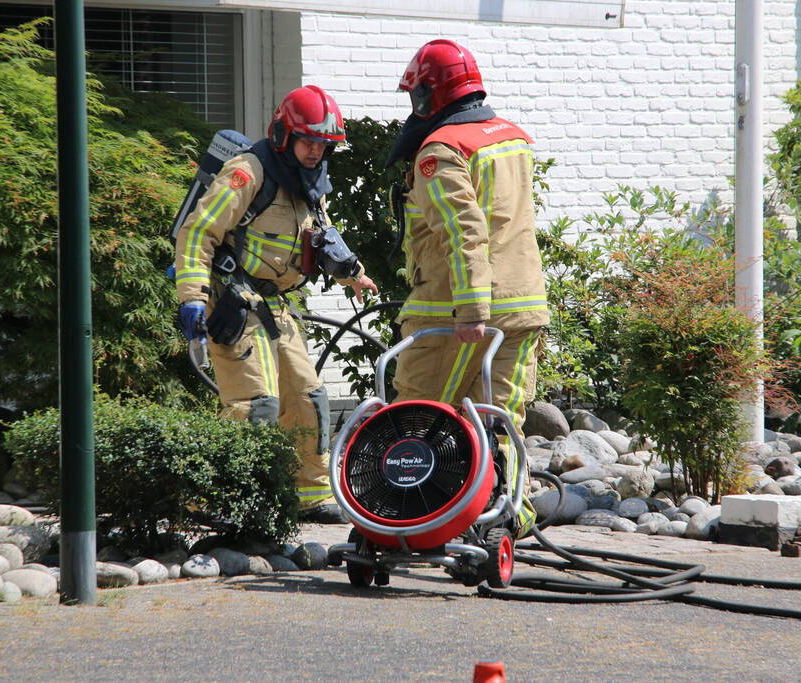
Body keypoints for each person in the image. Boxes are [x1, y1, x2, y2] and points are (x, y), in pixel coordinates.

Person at [174, 85, 378, 524]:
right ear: (285, 135)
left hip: (274, 306)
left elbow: (321, 235)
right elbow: (198, 232)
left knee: (309, 398)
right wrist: (192, 297)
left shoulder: (309, 181)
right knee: (255, 405)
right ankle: (220, 502)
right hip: (231, 301)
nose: (316, 151)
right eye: (308, 141)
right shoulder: (248, 172)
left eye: (324, 144)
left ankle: (309, 494)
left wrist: (354, 273)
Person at [386, 39, 548, 538]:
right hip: (523, 305)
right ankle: (507, 518)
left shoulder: (441, 151)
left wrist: (471, 310)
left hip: (455, 313)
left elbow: (463, 233)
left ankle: (411, 516)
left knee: (418, 417)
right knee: (499, 418)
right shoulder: (510, 137)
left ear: (427, 96)